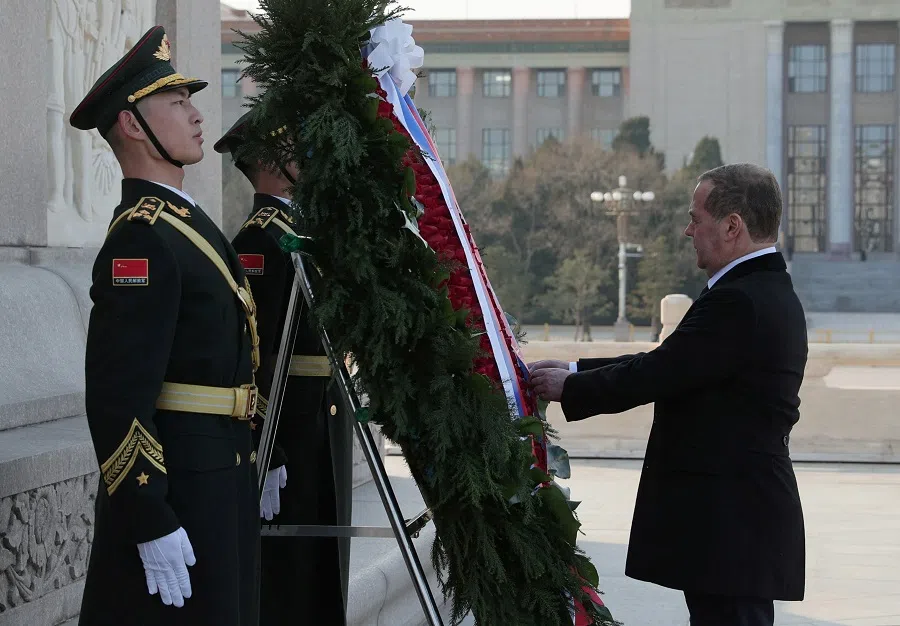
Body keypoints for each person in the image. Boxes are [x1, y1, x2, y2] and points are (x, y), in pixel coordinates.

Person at [529, 163, 807, 626]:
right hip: (737, 521)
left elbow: (661, 371)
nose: (687, 230)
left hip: (732, 522)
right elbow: (675, 359)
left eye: (696, 218)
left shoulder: (741, 299)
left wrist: (573, 386)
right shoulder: (758, 289)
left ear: (732, 225)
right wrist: (575, 369)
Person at [71, 26, 260, 626]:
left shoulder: (182, 223)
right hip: (182, 484)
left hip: (219, 471)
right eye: (177, 103)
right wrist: (148, 514)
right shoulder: (142, 236)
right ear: (132, 125)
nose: (196, 115)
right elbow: (118, 394)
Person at [214, 110, 352, 625]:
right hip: (289, 423)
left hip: (319, 414)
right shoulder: (258, 241)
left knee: (320, 562)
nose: (305, 158)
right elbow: (256, 353)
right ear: (271, 161)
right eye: (294, 149)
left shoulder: (297, 229)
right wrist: (267, 448)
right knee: (290, 569)